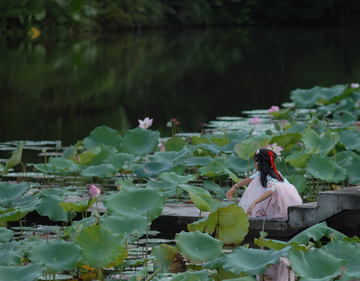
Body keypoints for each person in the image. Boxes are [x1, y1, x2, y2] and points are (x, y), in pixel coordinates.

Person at [226, 148, 302, 219]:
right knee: (256, 180)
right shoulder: (266, 172)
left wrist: (255, 202)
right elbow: (250, 179)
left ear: (257, 163)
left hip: (280, 199)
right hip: (275, 196)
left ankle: (273, 214)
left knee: (260, 188)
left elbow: (270, 191)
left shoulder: (271, 176)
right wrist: (235, 186)